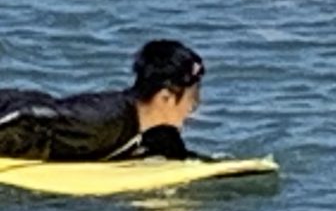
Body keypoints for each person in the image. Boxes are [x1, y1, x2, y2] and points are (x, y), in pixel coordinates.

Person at [0, 41, 206, 162]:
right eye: (192, 100)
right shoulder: (103, 120)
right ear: (166, 98)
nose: (192, 111)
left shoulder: (149, 132)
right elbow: (28, 115)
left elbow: (176, 155)